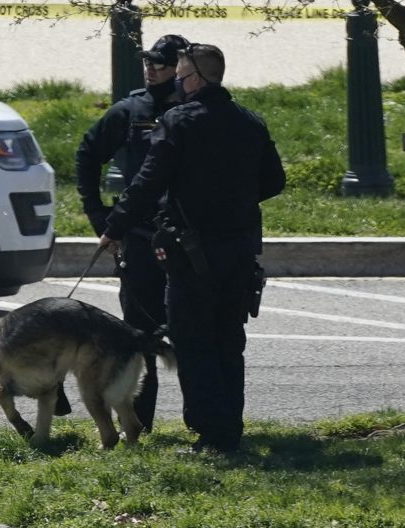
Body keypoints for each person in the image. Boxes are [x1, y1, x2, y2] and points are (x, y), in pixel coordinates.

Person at [100, 43, 285, 453]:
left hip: (191, 252)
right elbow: (274, 181)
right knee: (228, 338)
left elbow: (147, 183)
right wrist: (233, 197)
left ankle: (210, 432)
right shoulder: (250, 122)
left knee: (192, 339)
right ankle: (229, 428)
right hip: (239, 250)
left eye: (182, 78)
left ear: (197, 79)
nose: (179, 86)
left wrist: (115, 227)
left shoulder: (178, 122)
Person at [74, 32, 191, 430]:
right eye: (148, 63)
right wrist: (101, 219)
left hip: (190, 238)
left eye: (162, 64)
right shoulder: (130, 110)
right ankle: (139, 424)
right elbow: (87, 155)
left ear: (182, 68)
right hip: (140, 240)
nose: (152, 70)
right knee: (141, 335)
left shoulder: (196, 107)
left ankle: (205, 424)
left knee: (192, 331)